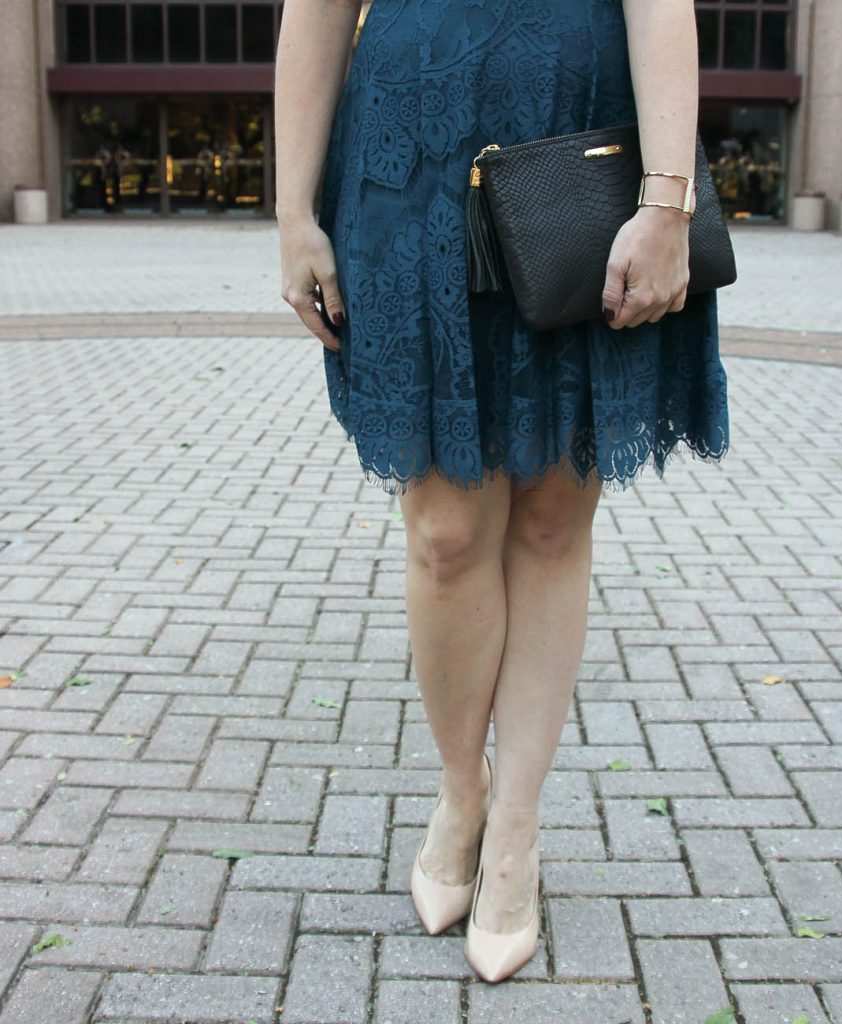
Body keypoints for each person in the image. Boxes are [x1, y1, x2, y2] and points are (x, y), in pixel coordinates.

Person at [276, 0, 729, 984]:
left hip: (582, 137)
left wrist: (665, 202)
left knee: (556, 511)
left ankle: (515, 822)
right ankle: (459, 791)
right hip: (405, 154)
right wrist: (292, 210)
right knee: (443, 524)